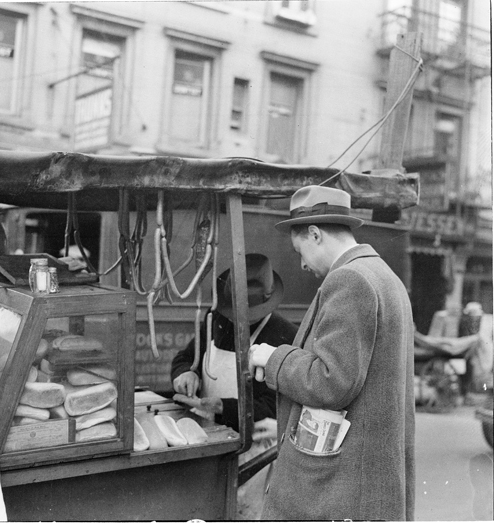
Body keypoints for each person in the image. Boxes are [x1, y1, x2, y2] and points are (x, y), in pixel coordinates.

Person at [249, 185, 415, 521]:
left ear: (314, 234)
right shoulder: (385, 277)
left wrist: (272, 359)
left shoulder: (350, 279)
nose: (303, 265)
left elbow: (332, 381)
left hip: (342, 487)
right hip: (368, 483)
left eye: (300, 252)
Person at [170, 253, 298, 432]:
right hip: (207, 430)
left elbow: (276, 405)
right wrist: (185, 373)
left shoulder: (286, 335)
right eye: (233, 312)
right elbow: (186, 357)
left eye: (249, 314)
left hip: (253, 441)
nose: (238, 320)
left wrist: (224, 407)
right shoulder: (217, 318)